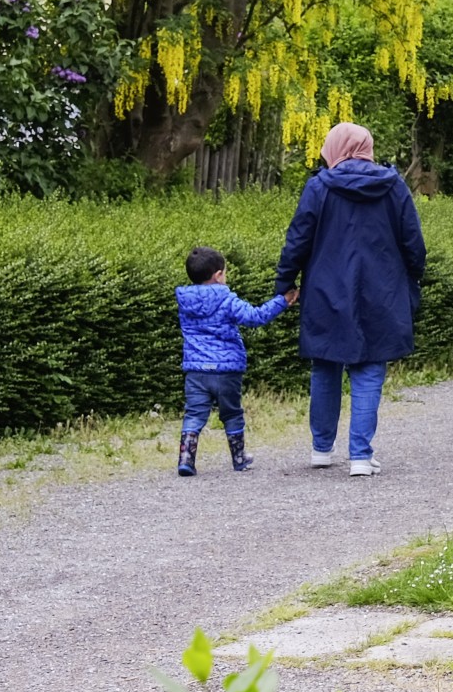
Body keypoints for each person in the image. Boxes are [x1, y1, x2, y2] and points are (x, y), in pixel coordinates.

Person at [275, 122, 426, 477]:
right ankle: (360, 455)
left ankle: (321, 449)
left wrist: (285, 281)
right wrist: (412, 278)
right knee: (370, 369)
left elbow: (298, 239)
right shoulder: (393, 186)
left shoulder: (319, 187)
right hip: (382, 290)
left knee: (326, 364)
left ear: (334, 148)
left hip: (326, 290)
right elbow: (413, 241)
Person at [175, 246, 296, 477]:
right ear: (218, 275)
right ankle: (239, 458)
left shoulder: (185, 300)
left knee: (194, 414)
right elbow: (255, 317)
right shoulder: (226, 299)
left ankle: (186, 460)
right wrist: (282, 301)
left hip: (196, 369)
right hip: (226, 370)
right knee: (231, 413)